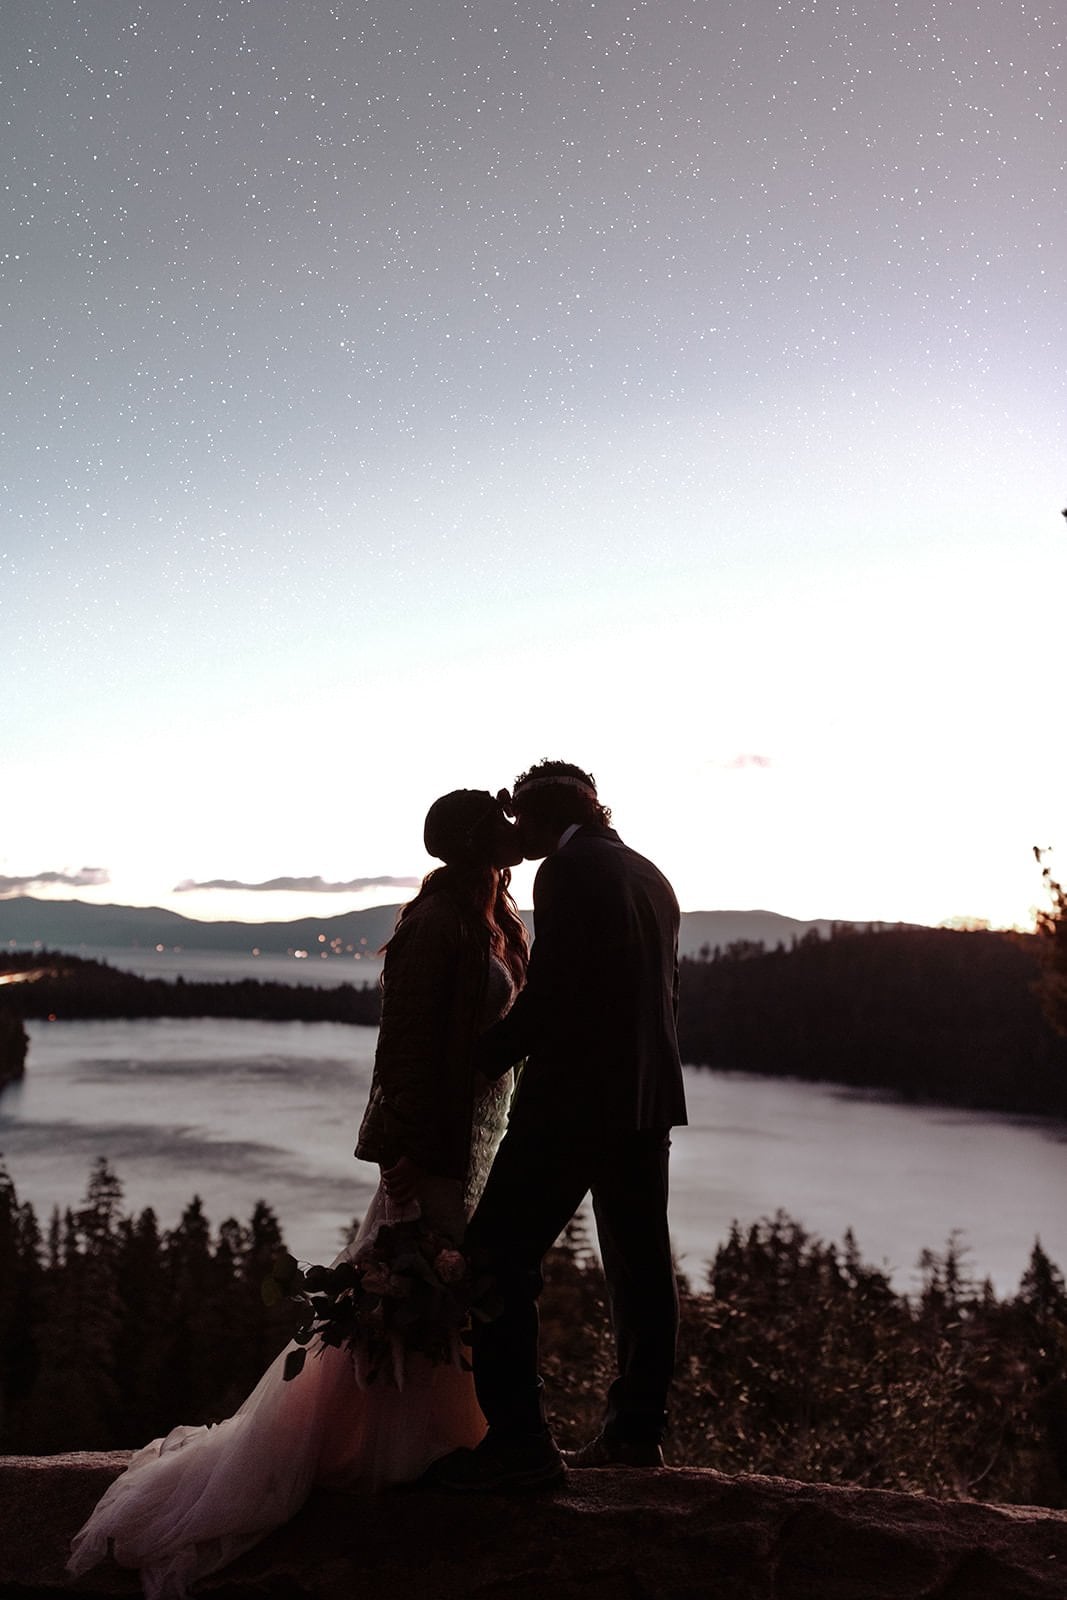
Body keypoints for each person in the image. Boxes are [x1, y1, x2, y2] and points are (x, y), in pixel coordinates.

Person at [68, 790, 528, 1598]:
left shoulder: (492, 920)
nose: (512, 835)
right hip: (436, 1147)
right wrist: (399, 1159)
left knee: (447, 1288)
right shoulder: (436, 926)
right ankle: (389, 1450)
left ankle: (439, 1440)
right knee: (423, 1285)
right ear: (470, 845)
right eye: (498, 827)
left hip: (477, 1135)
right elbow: (406, 1049)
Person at [431, 760, 687, 1493]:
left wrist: (479, 1062)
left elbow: (554, 997)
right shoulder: (648, 872)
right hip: (647, 1099)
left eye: (518, 823)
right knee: (640, 1268)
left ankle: (519, 1443)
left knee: (495, 1259)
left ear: (542, 818)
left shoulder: (566, 871)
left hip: (577, 1102)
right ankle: (637, 1434)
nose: (513, 837)